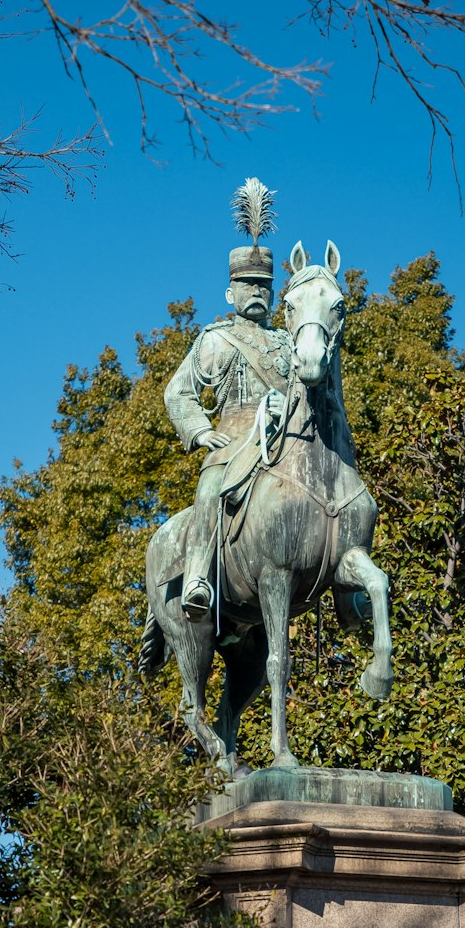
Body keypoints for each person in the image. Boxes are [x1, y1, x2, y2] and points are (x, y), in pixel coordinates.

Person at [164, 203, 291, 622]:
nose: (256, 290)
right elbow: (178, 393)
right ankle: (199, 577)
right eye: (247, 283)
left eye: (263, 284)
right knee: (209, 489)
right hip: (233, 442)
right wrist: (201, 432)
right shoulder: (216, 339)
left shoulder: (290, 344)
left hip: (285, 441)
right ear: (230, 292)